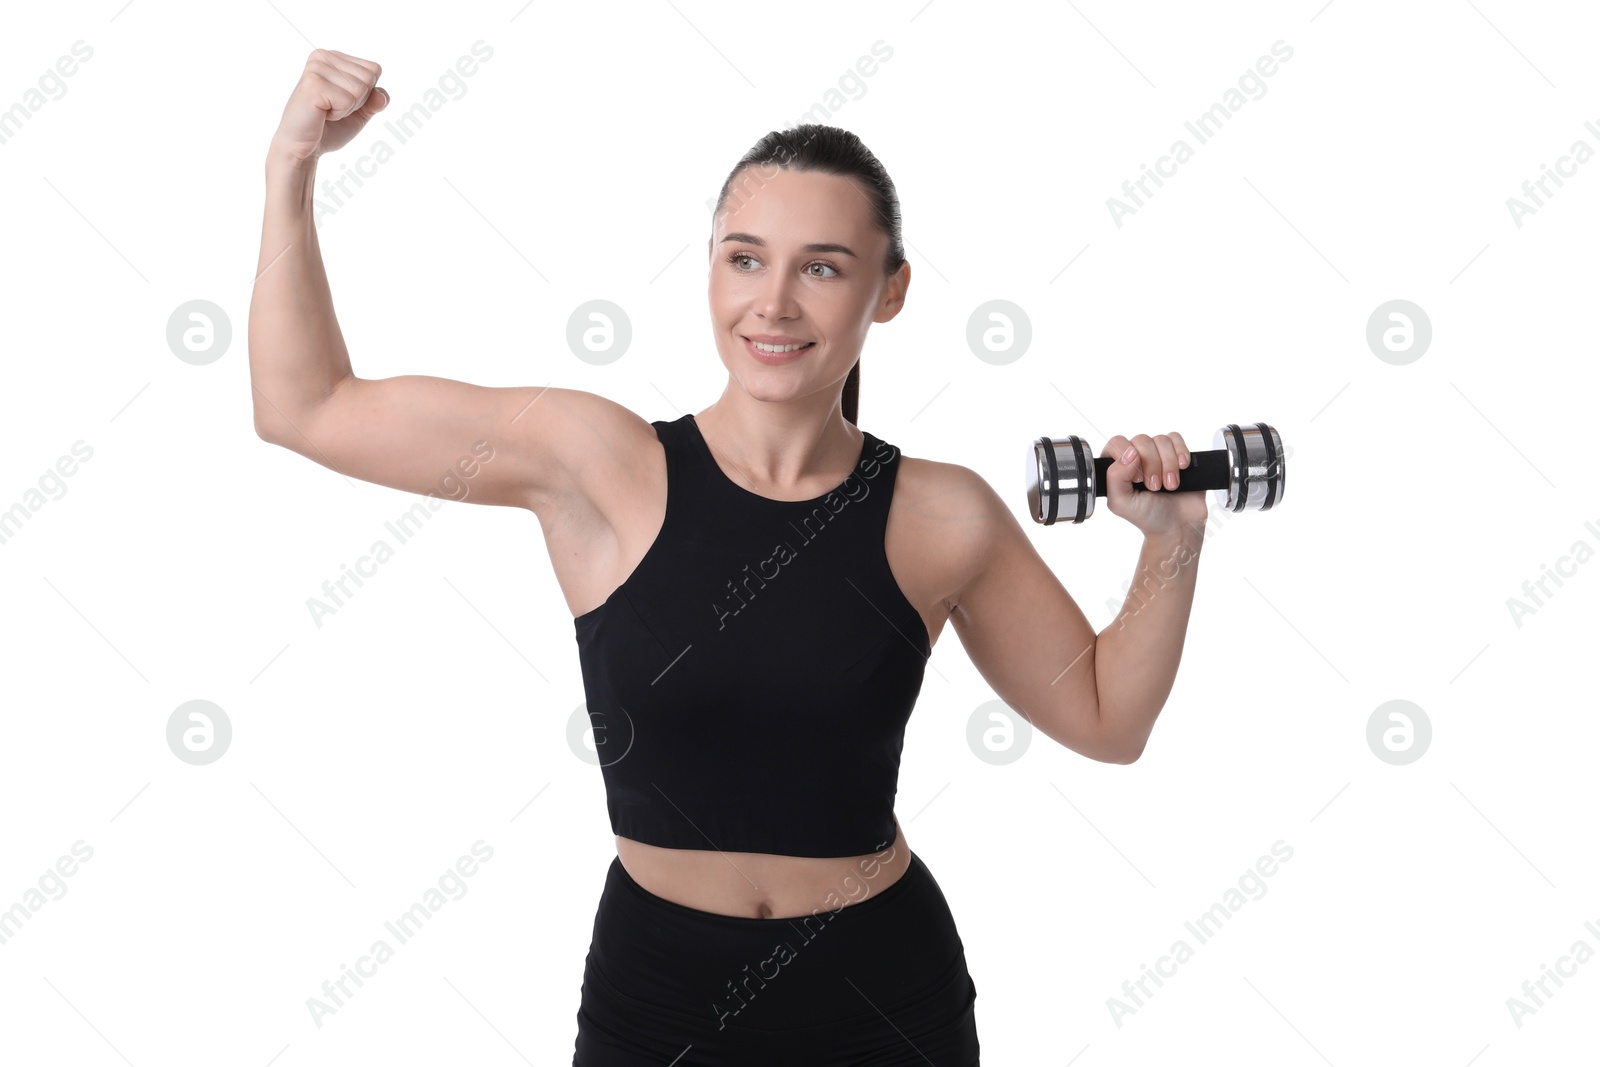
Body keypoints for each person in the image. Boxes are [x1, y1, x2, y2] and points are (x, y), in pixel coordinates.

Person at [250, 49, 1209, 1067]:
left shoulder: (942, 513)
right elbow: (305, 407)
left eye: (823, 267)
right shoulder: (594, 462)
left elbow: (1107, 720)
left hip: (881, 995)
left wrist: (1171, 543)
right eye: (744, 258)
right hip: (659, 998)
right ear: (707, 266)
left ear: (890, 292)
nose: (775, 302)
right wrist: (291, 167)